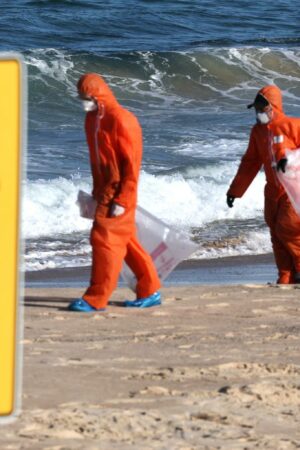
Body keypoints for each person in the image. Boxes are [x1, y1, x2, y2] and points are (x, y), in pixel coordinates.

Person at [68, 73, 161, 311]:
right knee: (127, 242)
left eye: (86, 97)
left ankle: (95, 298)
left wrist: (124, 197)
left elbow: (132, 163)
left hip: (120, 192)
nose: (83, 101)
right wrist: (95, 193)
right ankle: (150, 289)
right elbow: (98, 161)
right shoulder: (92, 120)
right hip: (104, 192)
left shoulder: (121, 120)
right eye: (81, 97)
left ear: (98, 96)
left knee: (104, 241)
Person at [226, 84, 300, 284]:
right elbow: (250, 163)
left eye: (262, 107)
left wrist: (291, 159)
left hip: (293, 192)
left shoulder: (293, 125)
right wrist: (235, 191)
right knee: (275, 233)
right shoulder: (258, 132)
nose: (259, 112)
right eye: (257, 108)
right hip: (272, 191)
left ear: (273, 106)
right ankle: (286, 278)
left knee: (288, 228)